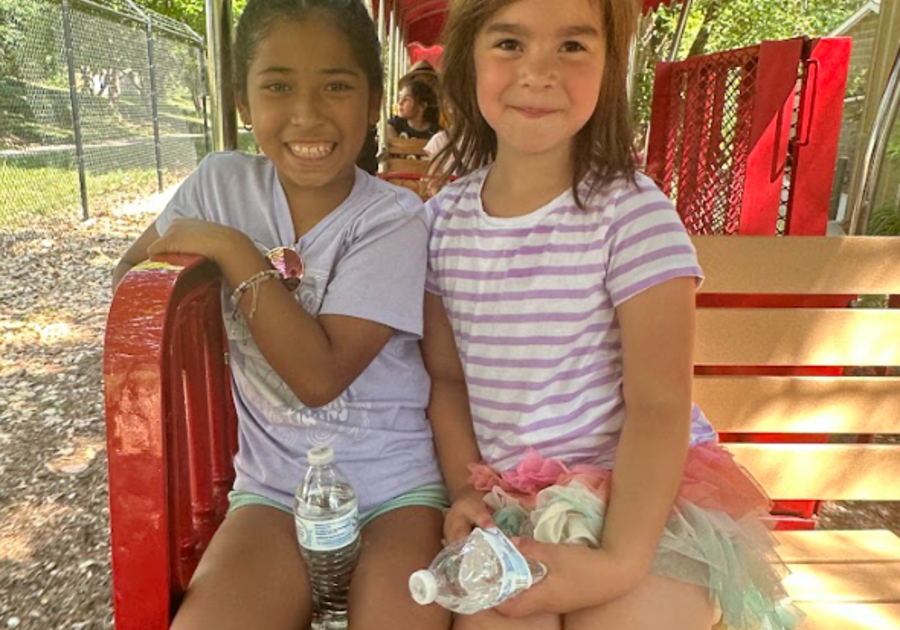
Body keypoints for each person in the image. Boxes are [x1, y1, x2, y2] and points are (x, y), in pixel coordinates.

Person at [422, 1, 803, 629]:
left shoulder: (632, 214)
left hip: (641, 504)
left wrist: (619, 561)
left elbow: (659, 403)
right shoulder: (441, 225)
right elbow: (447, 378)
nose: (538, 73)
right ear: (467, 59)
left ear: (610, 66)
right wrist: (468, 492)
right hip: (508, 506)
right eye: (509, 44)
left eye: (572, 47)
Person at [111, 1, 449, 629]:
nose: (308, 112)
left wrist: (235, 252)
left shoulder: (392, 221)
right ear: (243, 103)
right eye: (277, 86)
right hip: (272, 492)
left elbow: (319, 379)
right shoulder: (220, 185)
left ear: (375, 101)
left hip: (394, 493)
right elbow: (133, 285)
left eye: (337, 85)